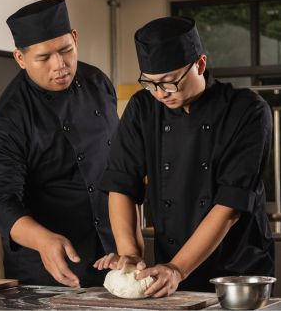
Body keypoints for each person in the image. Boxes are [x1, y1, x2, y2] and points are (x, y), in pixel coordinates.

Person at [94, 16, 274, 296]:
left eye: (168, 82)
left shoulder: (247, 111)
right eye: (150, 84)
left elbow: (230, 205)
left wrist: (178, 268)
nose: (160, 94)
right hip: (172, 268)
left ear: (200, 64)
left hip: (237, 273)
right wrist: (129, 252)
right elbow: (121, 183)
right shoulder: (143, 108)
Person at [0, 0, 118, 288]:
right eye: (44, 58)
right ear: (20, 58)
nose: (60, 65)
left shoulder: (98, 83)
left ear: (75, 38)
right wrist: (42, 240)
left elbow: (117, 164)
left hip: (110, 255)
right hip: (48, 267)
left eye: (66, 50)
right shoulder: (11, 117)